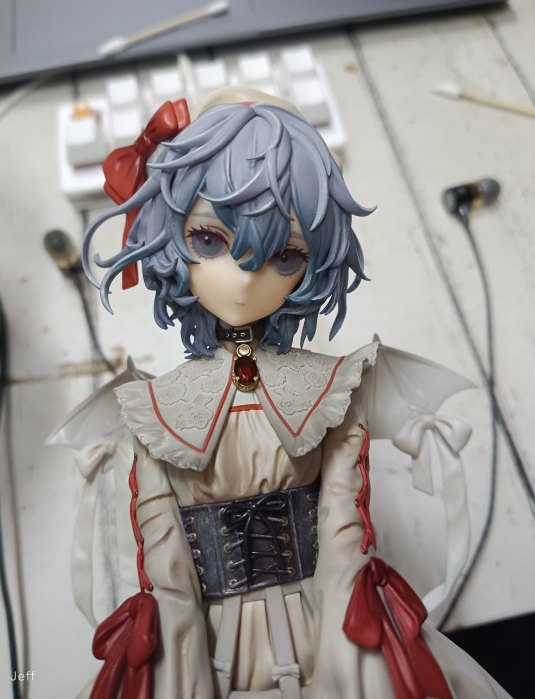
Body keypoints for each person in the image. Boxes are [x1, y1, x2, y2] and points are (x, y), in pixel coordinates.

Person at [81, 89, 511, 698]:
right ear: (169, 237)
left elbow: (343, 533)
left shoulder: (335, 390)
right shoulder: (152, 411)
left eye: (284, 255)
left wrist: (352, 662)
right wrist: (175, 668)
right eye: (210, 240)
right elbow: (167, 569)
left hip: (326, 625)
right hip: (206, 647)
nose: (243, 279)